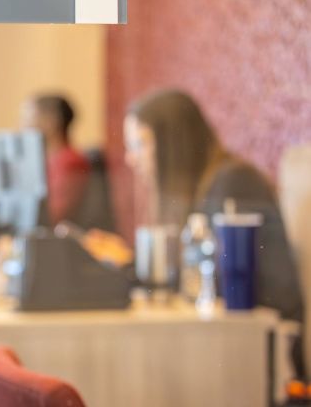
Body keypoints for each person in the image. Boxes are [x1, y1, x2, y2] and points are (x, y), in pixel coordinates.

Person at [123, 89, 305, 374]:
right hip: (228, 343)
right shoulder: (200, 191)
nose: (130, 158)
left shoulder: (234, 182)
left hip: (261, 354)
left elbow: (221, 285)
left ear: (174, 142)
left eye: (139, 143)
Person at [20, 95, 90, 226]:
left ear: (50, 122)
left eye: (29, 119)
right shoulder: (46, 160)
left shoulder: (70, 162)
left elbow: (53, 215)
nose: (23, 127)